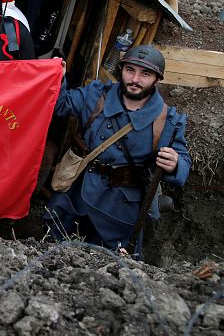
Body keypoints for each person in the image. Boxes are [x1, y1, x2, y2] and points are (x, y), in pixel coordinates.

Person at [44, 45, 190, 256]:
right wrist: (57, 77)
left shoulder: (168, 120)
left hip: (120, 209)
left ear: (157, 79)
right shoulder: (96, 96)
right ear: (121, 70)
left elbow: (183, 161)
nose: (135, 79)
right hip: (77, 193)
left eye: (145, 74)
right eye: (130, 70)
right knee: (52, 253)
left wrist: (176, 163)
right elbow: (59, 105)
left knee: (113, 266)